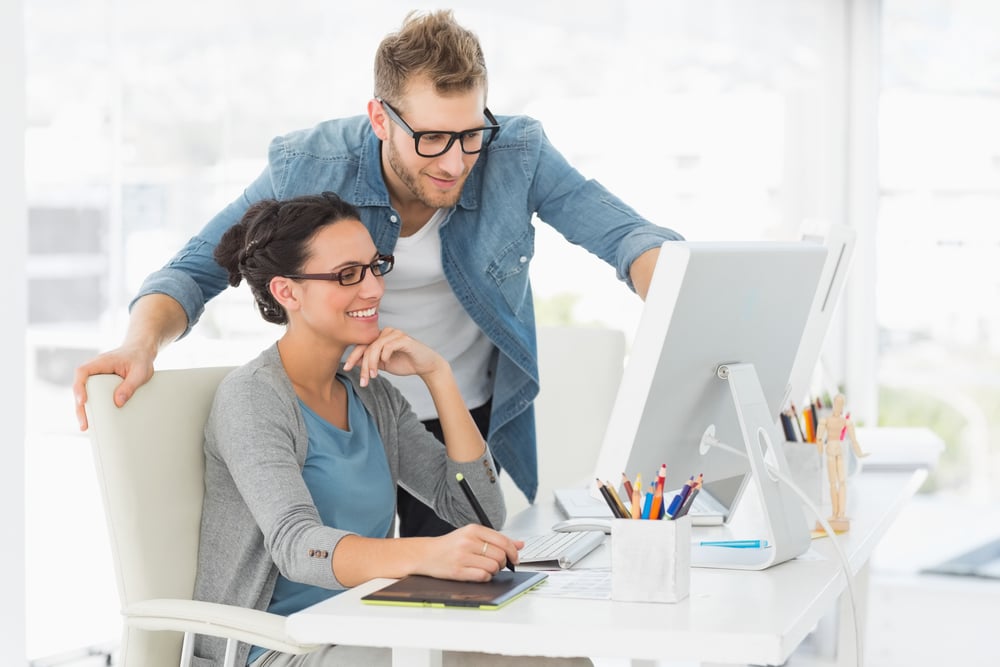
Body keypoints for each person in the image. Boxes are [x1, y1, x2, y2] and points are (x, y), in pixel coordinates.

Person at [72, 9, 682, 538]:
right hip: (349, 419)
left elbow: (626, 236)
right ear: (380, 118)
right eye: (433, 138)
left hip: (457, 416)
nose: (455, 161)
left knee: (457, 603)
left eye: (471, 135)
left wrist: (678, 304)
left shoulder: (516, 154)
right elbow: (197, 267)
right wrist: (139, 342)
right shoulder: (313, 164)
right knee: (344, 590)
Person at [196, 192, 588, 667]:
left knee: (559, 659)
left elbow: (479, 511)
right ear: (287, 292)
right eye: (347, 275)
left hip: (368, 626)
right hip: (281, 649)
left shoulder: (370, 394)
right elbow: (297, 546)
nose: (374, 289)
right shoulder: (254, 398)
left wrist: (439, 375)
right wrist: (425, 554)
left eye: (373, 266)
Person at [814, 393, 869, 529]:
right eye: (837, 403)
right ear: (834, 404)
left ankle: (841, 513)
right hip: (831, 450)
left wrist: (860, 453)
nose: (839, 406)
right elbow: (819, 438)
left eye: (841, 404)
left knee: (842, 482)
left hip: (839, 450)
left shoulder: (846, 421)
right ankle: (835, 513)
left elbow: (853, 440)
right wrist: (820, 450)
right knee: (833, 483)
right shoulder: (825, 420)